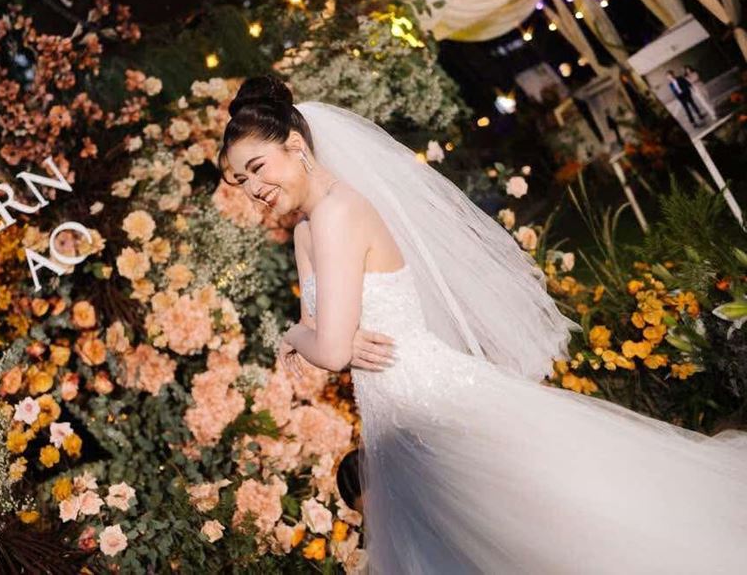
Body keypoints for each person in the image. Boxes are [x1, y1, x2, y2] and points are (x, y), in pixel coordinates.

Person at [219, 74, 747, 574]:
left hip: (430, 402)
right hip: (390, 419)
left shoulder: (338, 212)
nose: (253, 187)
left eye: (258, 167)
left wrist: (297, 336)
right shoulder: (307, 230)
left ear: (295, 145)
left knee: (537, 535)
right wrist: (320, 335)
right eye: (242, 180)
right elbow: (323, 328)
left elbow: (327, 347)